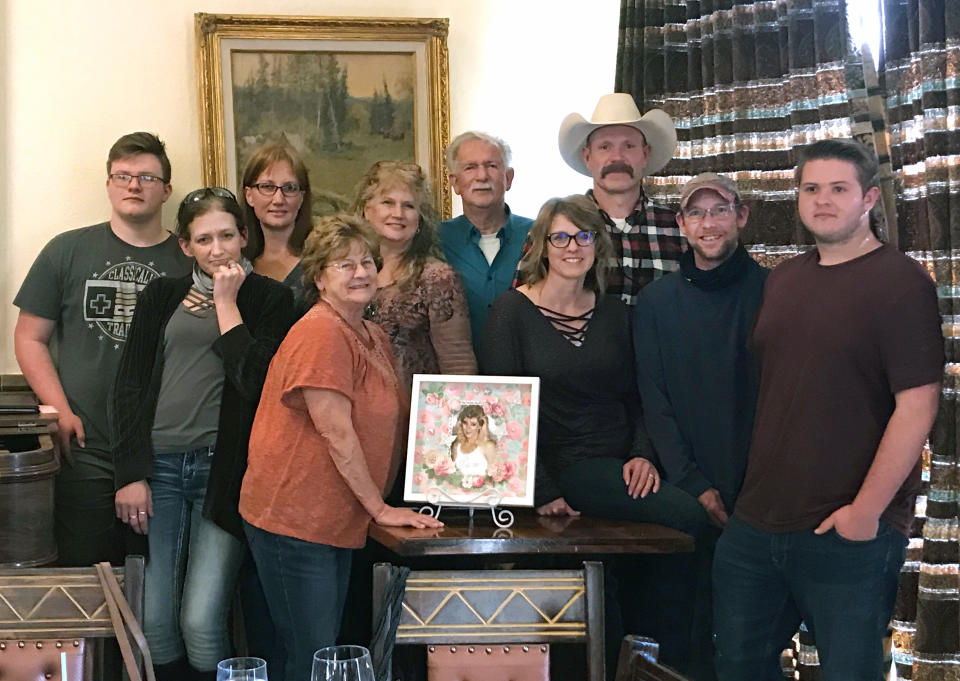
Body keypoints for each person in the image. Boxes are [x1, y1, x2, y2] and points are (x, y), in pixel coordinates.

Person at [712, 139, 944, 680]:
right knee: (737, 669)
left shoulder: (901, 282)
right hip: (756, 526)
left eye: (838, 189)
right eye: (811, 188)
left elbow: (918, 405)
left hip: (847, 531)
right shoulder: (784, 280)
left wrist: (865, 514)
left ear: (867, 200)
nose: (822, 200)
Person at [482, 194, 707, 669]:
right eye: (560, 236)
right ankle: (665, 662)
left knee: (675, 538)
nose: (572, 246)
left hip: (622, 461)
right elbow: (501, 411)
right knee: (690, 516)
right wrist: (539, 488)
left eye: (583, 236)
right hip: (566, 468)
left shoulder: (615, 314)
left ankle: (653, 658)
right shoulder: (510, 312)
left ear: (597, 246)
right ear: (542, 245)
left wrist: (644, 453)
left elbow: (640, 396)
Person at [239, 214, 444, 681]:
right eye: (344, 264)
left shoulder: (369, 333)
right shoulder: (321, 331)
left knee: (324, 654)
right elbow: (336, 430)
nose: (361, 272)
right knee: (312, 657)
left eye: (368, 262)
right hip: (295, 519)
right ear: (318, 277)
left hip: (335, 518)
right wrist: (379, 507)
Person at [111, 188, 293, 680]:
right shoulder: (161, 295)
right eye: (204, 239)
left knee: (202, 618)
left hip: (224, 470)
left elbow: (258, 384)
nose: (218, 249)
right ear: (186, 246)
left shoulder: (270, 299)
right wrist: (130, 472)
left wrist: (226, 301)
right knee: (155, 620)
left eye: (227, 236)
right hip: (160, 469)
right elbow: (129, 385)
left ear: (244, 237)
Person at [13, 132, 191, 566]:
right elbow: (28, 337)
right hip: (85, 446)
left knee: (156, 586)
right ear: (109, 185)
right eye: (123, 176)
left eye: (147, 177)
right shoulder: (67, 251)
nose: (134, 185)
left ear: (166, 190)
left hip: (165, 455)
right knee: (85, 579)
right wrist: (58, 411)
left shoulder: (189, 259)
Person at [633, 173, 768, 680]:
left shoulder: (774, 293)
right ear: (681, 225)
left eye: (719, 210)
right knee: (676, 633)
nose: (708, 223)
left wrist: (753, 488)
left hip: (758, 496)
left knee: (746, 644)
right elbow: (655, 401)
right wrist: (695, 486)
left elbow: (784, 399)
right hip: (681, 494)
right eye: (697, 213)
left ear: (742, 216)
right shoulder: (655, 303)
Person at [514, 93, 681, 306]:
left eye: (629, 146)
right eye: (605, 147)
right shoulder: (554, 229)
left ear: (645, 154)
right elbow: (522, 308)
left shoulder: (677, 229)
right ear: (587, 156)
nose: (617, 157)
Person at [354, 161, 477, 393]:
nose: (398, 214)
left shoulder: (437, 278)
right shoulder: (349, 273)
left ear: (419, 218)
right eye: (388, 202)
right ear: (367, 209)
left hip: (417, 419)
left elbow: (458, 364)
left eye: (409, 206)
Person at [439, 131, 533, 350]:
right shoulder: (434, 240)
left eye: (491, 165)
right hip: (457, 376)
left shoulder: (540, 235)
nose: (482, 176)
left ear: (508, 178)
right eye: (470, 167)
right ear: (455, 183)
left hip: (527, 375)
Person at [240, 142, 313, 309]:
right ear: (249, 195)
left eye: (289, 188)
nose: (279, 199)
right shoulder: (239, 264)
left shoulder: (321, 260)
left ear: (301, 197)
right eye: (267, 187)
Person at [449, 404, 498, 477]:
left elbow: (495, 476)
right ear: (461, 424)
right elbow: (452, 474)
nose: (468, 428)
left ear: (480, 426)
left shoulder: (489, 446)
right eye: (465, 423)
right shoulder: (456, 445)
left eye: (473, 424)